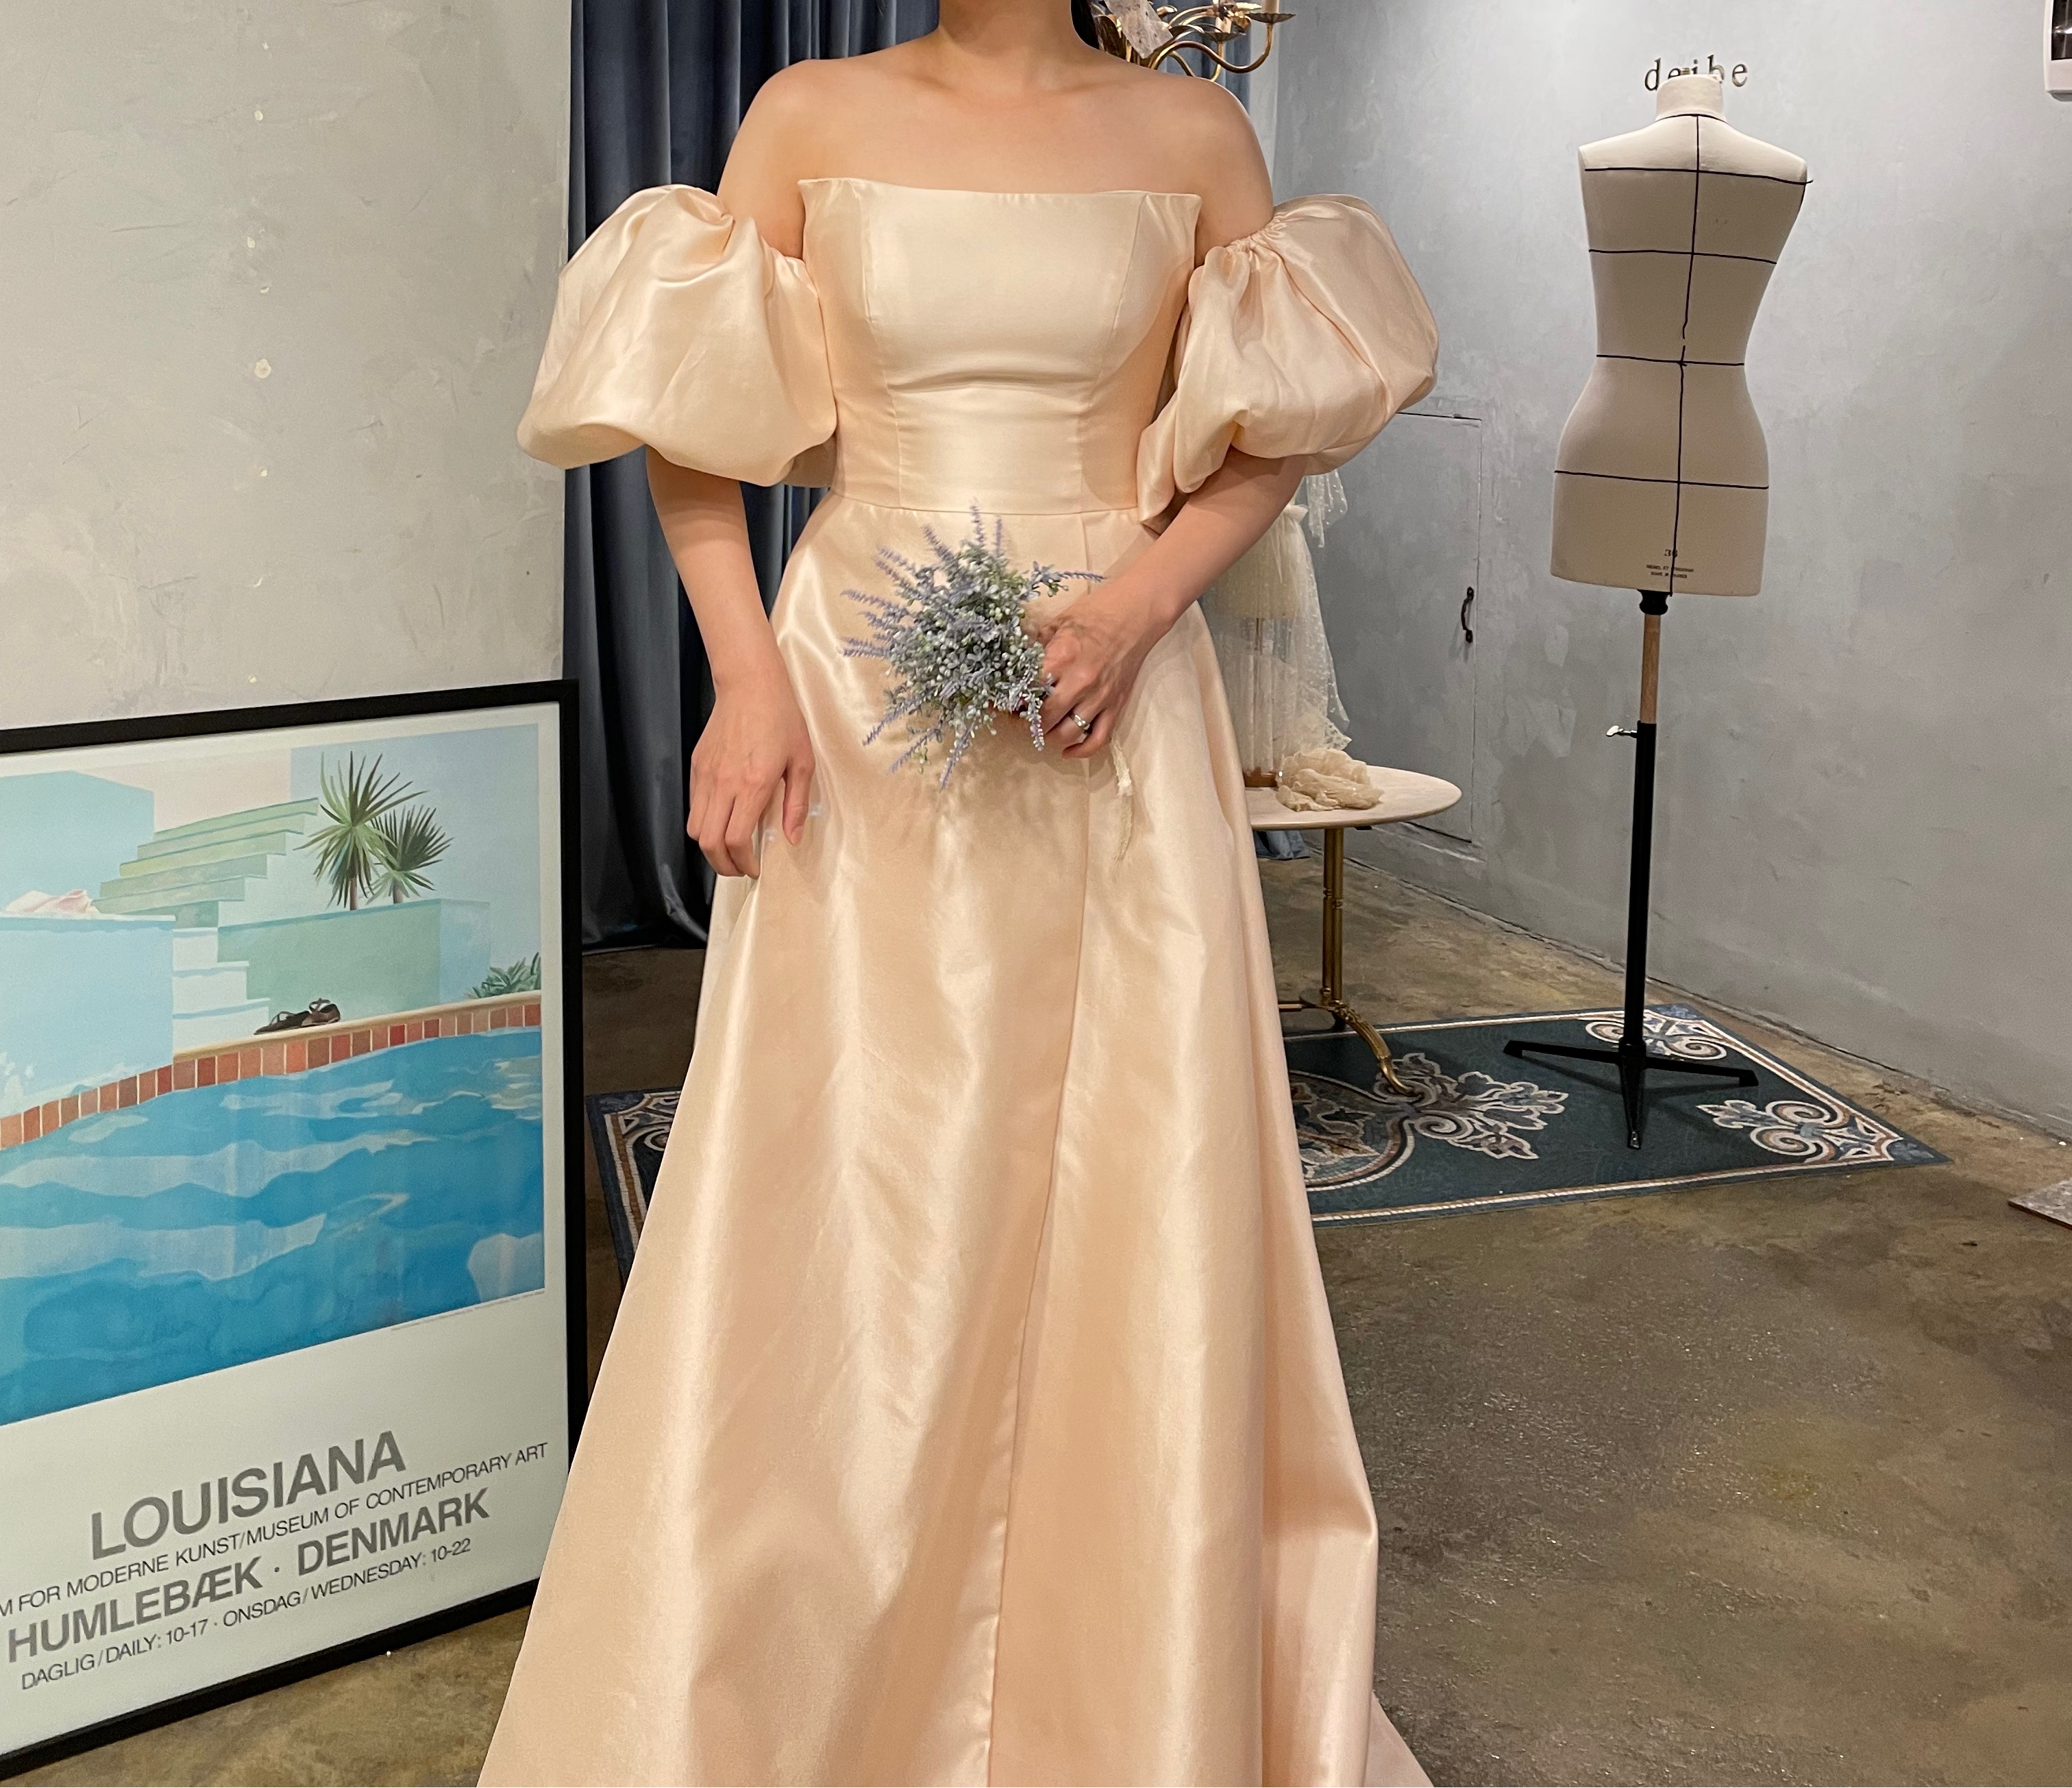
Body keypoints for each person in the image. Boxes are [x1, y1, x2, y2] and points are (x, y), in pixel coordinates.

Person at [482, 2, 1437, 1780]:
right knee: (850, 1165)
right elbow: (692, 428)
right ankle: (795, 1688)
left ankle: (1120, 1680)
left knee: (1133, 1167)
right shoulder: (806, 112)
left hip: (1113, 699)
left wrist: (1143, 601)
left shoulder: (1194, 134)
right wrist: (744, 679)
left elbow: (1278, 430)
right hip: (852, 695)